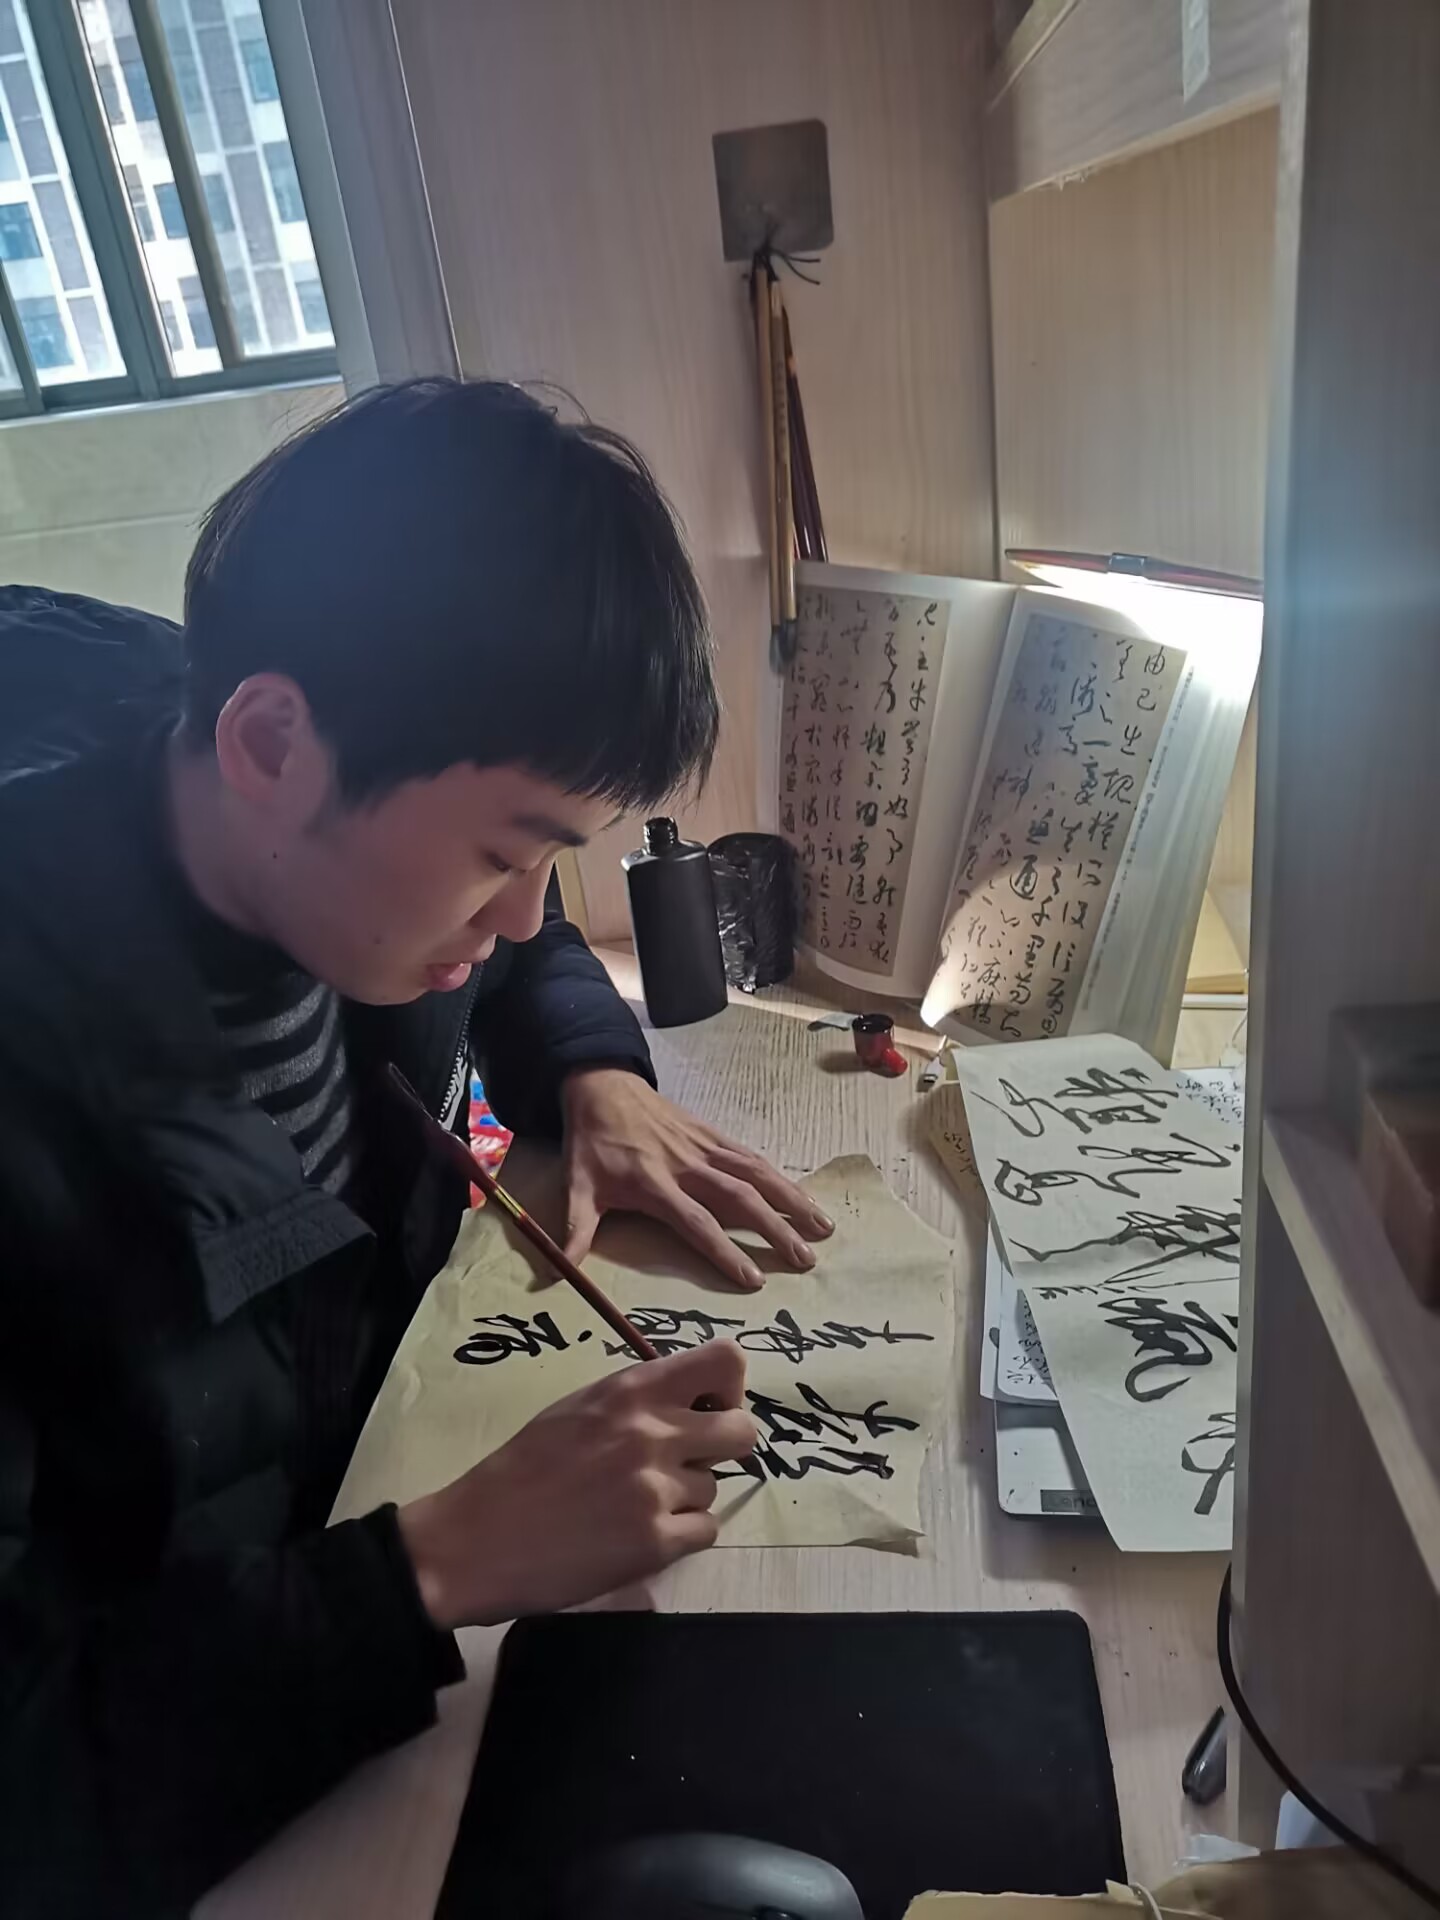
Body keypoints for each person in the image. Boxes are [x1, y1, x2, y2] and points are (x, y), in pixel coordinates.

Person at [0, 379, 832, 1917]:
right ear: (269, 744)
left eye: (557, 857)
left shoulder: (329, 836)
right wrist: (427, 1571)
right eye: (509, 853)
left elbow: (516, 958)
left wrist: (593, 1073)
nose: (524, 913)